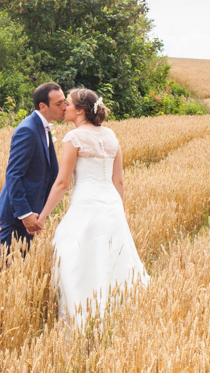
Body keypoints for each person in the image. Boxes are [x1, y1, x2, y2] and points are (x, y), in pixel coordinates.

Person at [37, 87, 149, 325]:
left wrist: (43, 216)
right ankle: (117, 313)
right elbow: (118, 180)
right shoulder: (110, 135)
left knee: (72, 252)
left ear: (79, 111)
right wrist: (118, 209)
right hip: (111, 205)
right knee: (112, 257)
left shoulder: (73, 138)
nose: (64, 107)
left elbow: (62, 183)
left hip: (86, 204)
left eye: (67, 103)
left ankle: (82, 315)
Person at [0, 82, 65, 253]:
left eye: (64, 101)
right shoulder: (28, 130)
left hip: (32, 212)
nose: (64, 107)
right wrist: (25, 214)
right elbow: (14, 174)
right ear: (43, 106)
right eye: (59, 104)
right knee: (8, 267)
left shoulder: (42, 127)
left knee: (19, 267)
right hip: (17, 216)